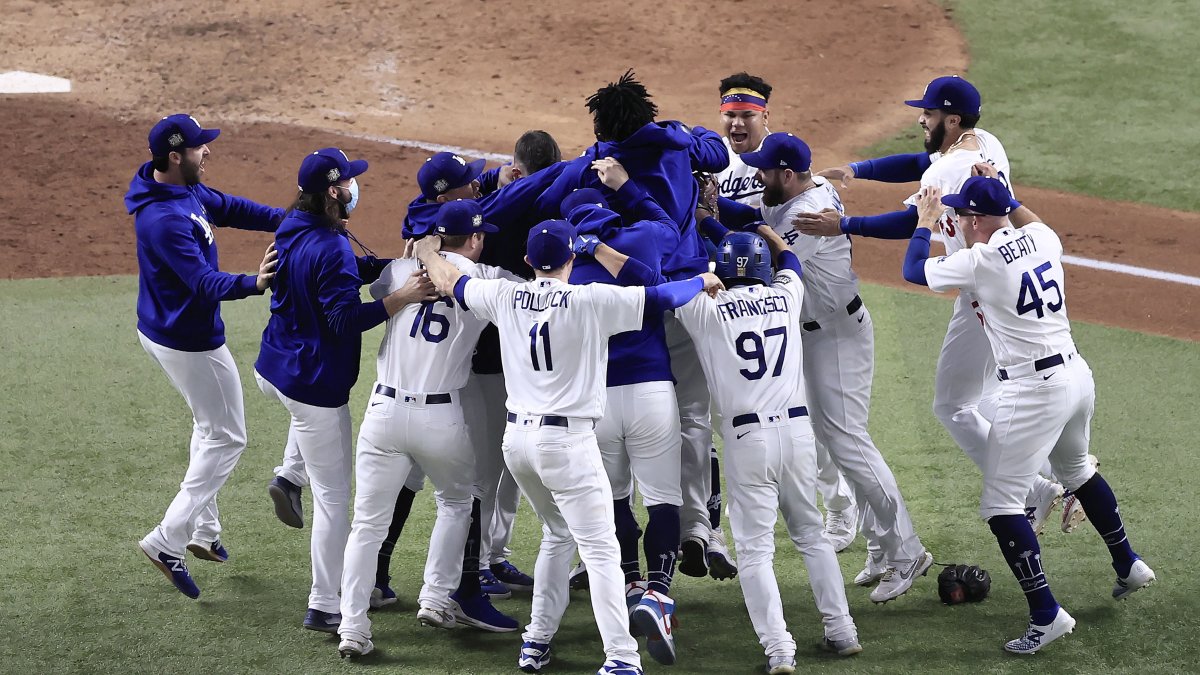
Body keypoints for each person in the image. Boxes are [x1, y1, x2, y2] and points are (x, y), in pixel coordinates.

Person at [415, 220, 723, 675]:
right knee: (599, 552)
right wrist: (702, 279)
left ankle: (536, 641)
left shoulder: (505, 294)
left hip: (518, 445)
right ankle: (621, 656)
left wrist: (425, 250)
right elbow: (662, 297)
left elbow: (448, 281)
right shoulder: (590, 300)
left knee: (558, 535)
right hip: (568, 443)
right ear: (571, 260)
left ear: (527, 261)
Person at [795, 75, 1072, 558]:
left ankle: (1039, 488)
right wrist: (858, 168)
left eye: (928, 112)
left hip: (980, 291)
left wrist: (844, 223)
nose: (920, 118)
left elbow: (910, 219)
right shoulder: (983, 145)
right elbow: (924, 163)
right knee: (982, 396)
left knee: (952, 406)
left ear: (952, 118)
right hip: (1007, 274)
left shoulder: (945, 174)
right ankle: (1061, 477)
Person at [903, 177, 1155, 653]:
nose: (959, 220)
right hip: (1077, 375)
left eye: (963, 215)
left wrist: (924, 222)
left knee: (1000, 507)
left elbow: (914, 270)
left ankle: (1046, 614)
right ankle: (1128, 563)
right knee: (1078, 471)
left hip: (1035, 389)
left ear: (975, 219)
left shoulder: (982, 260)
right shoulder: (1042, 237)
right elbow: (1025, 216)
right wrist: (1007, 196)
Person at [718, 132, 931, 601]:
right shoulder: (796, 194)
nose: (757, 176)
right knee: (840, 442)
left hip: (836, 334)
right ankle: (881, 546)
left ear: (788, 175)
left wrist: (713, 224)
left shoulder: (805, 214)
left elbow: (773, 254)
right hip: (821, 334)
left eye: (765, 170)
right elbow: (757, 217)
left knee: (849, 441)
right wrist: (713, 208)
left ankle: (906, 549)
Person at [255, 147, 436, 633]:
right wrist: (402, 295)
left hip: (274, 364)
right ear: (334, 191)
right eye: (350, 180)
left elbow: (330, 272)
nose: (356, 185)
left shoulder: (294, 222)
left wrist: (384, 268)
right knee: (335, 501)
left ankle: (290, 475)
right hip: (310, 384)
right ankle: (324, 602)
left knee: (306, 434)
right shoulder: (331, 245)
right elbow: (343, 319)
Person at [337, 200, 521, 659]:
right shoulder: (488, 279)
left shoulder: (401, 271)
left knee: (366, 526)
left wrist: (420, 254)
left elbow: (384, 279)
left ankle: (352, 628)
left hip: (382, 413)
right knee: (459, 499)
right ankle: (437, 597)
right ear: (475, 239)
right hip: (440, 416)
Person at [674, 228, 861, 674]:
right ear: (764, 269)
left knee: (756, 552)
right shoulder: (787, 294)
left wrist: (705, 275)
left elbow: (670, 283)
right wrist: (766, 231)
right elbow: (791, 261)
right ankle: (843, 631)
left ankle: (780, 650)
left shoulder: (705, 308)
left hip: (747, 441)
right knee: (812, 536)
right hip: (797, 434)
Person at [126, 113, 283, 598]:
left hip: (167, 327)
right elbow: (202, 283)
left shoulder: (180, 190)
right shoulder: (163, 219)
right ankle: (166, 540)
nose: (208, 152)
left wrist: (296, 220)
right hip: (186, 340)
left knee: (209, 426)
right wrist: (254, 284)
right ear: (176, 156)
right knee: (229, 437)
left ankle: (203, 533)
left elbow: (231, 207)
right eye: (199, 147)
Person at [712, 73, 858, 551]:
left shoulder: (781, 163)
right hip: (744, 311)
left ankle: (839, 509)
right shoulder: (719, 163)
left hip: (788, 305)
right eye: (729, 114)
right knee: (741, 412)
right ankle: (742, 507)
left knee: (808, 419)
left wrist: (717, 214)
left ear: (764, 116)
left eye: (745, 115)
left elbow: (778, 236)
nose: (736, 123)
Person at [565, 158, 685, 666]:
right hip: (652, 392)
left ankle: (632, 584)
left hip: (595, 404)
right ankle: (658, 593)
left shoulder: (563, 272)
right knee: (663, 499)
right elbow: (668, 225)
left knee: (614, 500)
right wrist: (628, 187)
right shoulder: (637, 239)